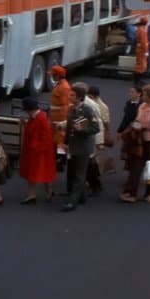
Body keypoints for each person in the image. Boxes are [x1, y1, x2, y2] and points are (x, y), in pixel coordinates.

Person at [120, 85, 150, 203]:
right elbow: (138, 121)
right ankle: (130, 193)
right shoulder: (142, 106)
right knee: (136, 167)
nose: (142, 96)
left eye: (144, 94)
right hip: (139, 141)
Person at [59, 84, 100, 212]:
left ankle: (73, 201)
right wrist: (65, 143)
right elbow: (69, 128)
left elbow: (95, 128)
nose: (70, 97)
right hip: (73, 145)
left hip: (83, 147)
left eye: (72, 95)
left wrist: (83, 130)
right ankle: (81, 196)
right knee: (76, 171)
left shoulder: (88, 110)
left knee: (79, 175)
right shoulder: (71, 109)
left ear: (79, 97)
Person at [19, 97, 56, 204]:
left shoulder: (41, 119)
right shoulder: (37, 117)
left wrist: (37, 148)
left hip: (39, 152)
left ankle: (39, 193)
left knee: (38, 173)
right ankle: (36, 194)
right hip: (35, 151)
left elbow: (46, 137)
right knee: (38, 173)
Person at [48, 65, 72, 150]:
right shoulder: (60, 85)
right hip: (56, 116)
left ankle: (59, 154)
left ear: (58, 75)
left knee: (59, 137)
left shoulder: (64, 87)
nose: (51, 76)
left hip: (60, 117)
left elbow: (65, 104)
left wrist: (63, 120)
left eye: (53, 75)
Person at [133, 18, 150, 85]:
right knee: (142, 65)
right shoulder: (143, 31)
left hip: (139, 49)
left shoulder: (139, 29)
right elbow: (144, 42)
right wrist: (146, 51)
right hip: (142, 50)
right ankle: (138, 81)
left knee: (139, 64)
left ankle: (137, 80)